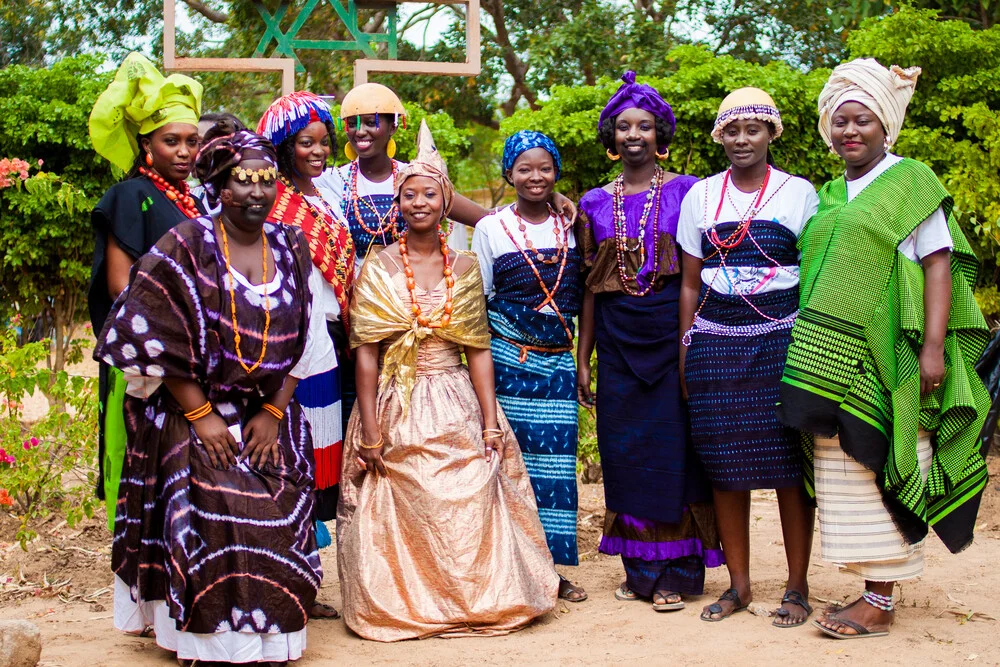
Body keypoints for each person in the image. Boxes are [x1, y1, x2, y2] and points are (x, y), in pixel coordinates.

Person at [94, 129, 331, 665]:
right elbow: (151, 332)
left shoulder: (292, 247)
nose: (257, 193)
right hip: (193, 407)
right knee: (217, 499)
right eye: (243, 182)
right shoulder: (185, 246)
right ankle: (205, 639)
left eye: (266, 181)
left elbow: (309, 339)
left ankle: (269, 637)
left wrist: (272, 413)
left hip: (268, 411)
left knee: (280, 508)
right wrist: (201, 415)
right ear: (219, 187)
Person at [777, 59, 992, 639]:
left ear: (885, 128)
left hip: (892, 352)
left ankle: (881, 601)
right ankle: (871, 587)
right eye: (841, 121)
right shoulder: (827, 195)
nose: (850, 131)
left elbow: (939, 268)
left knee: (885, 460)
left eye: (863, 120)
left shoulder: (910, 181)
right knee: (843, 468)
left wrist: (934, 348)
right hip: (832, 358)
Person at [337, 121, 559, 641]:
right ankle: (408, 602)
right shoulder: (377, 265)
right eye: (409, 194)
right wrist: (370, 431)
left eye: (429, 194)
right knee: (400, 499)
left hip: (455, 395)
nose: (419, 202)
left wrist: (489, 421)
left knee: (472, 493)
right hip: (397, 398)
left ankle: (476, 599)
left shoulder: (464, 264)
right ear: (398, 203)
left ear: (445, 202)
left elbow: (477, 349)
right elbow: (366, 355)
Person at [576, 72, 723, 612]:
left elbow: (698, 274)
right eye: (622, 127)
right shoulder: (592, 203)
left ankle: (676, 574)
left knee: (676, 451)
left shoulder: (690, 191)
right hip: (616, 340)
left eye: (643, 126)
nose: (632, 134)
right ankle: (639, 571)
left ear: (661, 134)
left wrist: (696, 345)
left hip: (673, 335)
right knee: (625, 454)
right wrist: (584, 358)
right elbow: (590, 289)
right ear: (611, 139)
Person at [676, 88, 819, 626]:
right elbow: (690, 284)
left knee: (787, 466)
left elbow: (811, 275)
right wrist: (686, 349)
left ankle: (797, 587)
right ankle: (739, 587)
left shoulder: (799, 194)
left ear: (771, 134)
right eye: (732, 131)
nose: (742, 140)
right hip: (713, 342)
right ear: (720, 136)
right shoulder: (701, 197)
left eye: (753, 129)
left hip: (782, 340)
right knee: (725, 466)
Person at [87, 52, 205, 531]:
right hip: (145, 353)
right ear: (145, 144)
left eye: (192, 141)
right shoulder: (129, 195)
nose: (183, 151)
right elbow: (120, 284)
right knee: (142, 463)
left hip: (188, 352)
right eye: (170, 141)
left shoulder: (195, 201)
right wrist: (175, 328)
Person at [471, 130, 587, 602]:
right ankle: (511, 571)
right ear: (508, 174)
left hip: (558, 362)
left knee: (555, 469)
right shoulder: (491, 228)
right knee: (507, 469)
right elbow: (477, 301)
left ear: (556, 172)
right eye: (524, 168)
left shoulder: (573, 224)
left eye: (544, 168)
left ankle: (552, 573)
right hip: (507, 360)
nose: (535, 177)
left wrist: (582, 362)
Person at [316, 82, 578, 262]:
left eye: (372, 122)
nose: (361, 132)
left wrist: (548, 199)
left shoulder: (417, 178)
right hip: (354, 300)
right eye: (353, 123)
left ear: (393, 126)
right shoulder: (331, 181)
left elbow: (487, 218)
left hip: (412, 297)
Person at [257, 92, 353, 577]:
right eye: (304, 143)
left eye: (323, 142)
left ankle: (304, 567)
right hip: (293, 342)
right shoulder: (272, 199)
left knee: (317, 457)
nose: (317, 151)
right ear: (281, 147)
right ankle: (289, 565)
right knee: (292, 452)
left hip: (329, 338)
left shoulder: (328, 193)